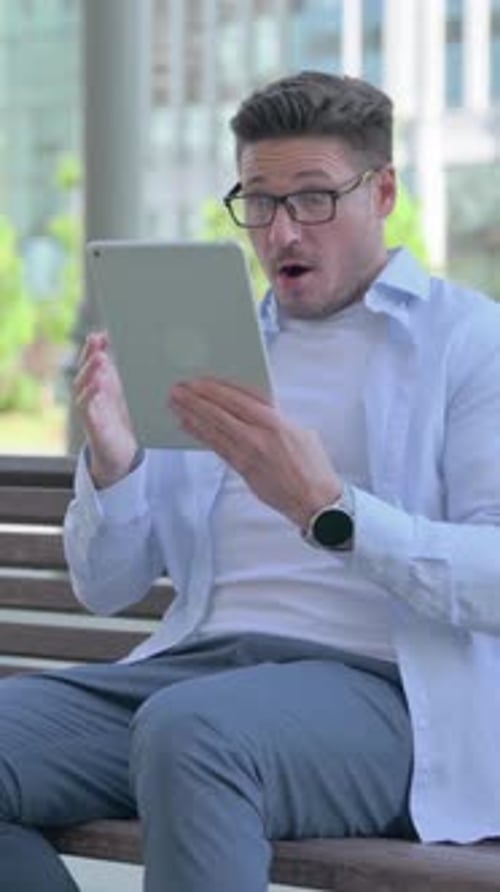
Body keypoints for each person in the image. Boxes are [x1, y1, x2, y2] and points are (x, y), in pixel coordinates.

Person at [1, 70, 500, 892]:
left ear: (382, 192)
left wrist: (329, 511)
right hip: (194, 671)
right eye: (259, 202)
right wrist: (117, 465)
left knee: (194, 733)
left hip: (388, 695)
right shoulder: (216, 343)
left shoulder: (467, 343)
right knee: (169, 722)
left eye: (312, 199)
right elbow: (106, 585)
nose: (281, 232)